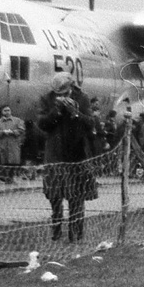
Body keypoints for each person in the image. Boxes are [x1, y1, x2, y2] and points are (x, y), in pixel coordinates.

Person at [38, 74, 96, 242]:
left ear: (71, 87)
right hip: (55, 155)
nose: (62, 96)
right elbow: (41, 125)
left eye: (64, 93)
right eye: (58, 94)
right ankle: (56, 232)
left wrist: (75, 113)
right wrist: (56, 111)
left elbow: (91, 123)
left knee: (76, 198)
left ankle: (76, 234)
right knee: (55, 197)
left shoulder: (82, 98)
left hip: (76, 154)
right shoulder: (47, 99)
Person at [0, 104, 25, 169]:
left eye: (8, 110)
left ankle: (11, 177)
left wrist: (12, 132)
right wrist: (3, 132)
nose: (7, 112)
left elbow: (21, 130)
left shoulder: (18, 120)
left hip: (14, 146)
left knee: (13, 164)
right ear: (1, 111)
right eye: (5, 110)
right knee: (3, 163)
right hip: (2, 146)